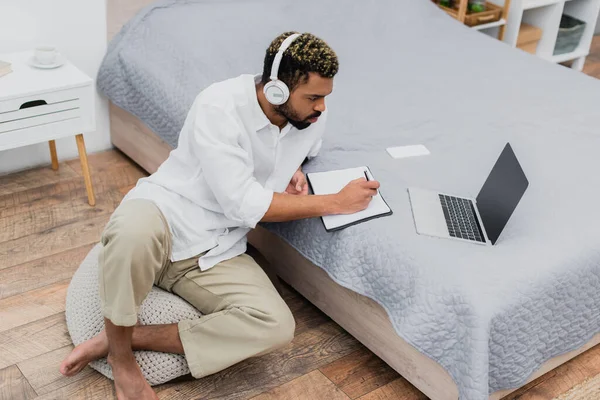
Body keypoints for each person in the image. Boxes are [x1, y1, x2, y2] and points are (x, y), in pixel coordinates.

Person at [59, 31, 380, 400]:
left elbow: (308, 148)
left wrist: (294, 167)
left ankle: (122, 336)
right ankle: (122, 360)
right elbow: (243, 204)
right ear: (276, 90)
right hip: (167, 215)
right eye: (313, 97)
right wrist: (335, 202)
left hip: (217, 247)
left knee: (275, 325)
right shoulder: (218, 106)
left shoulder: (309, 120)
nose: (322, 107)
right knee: (130, 234)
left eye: (325, 96)